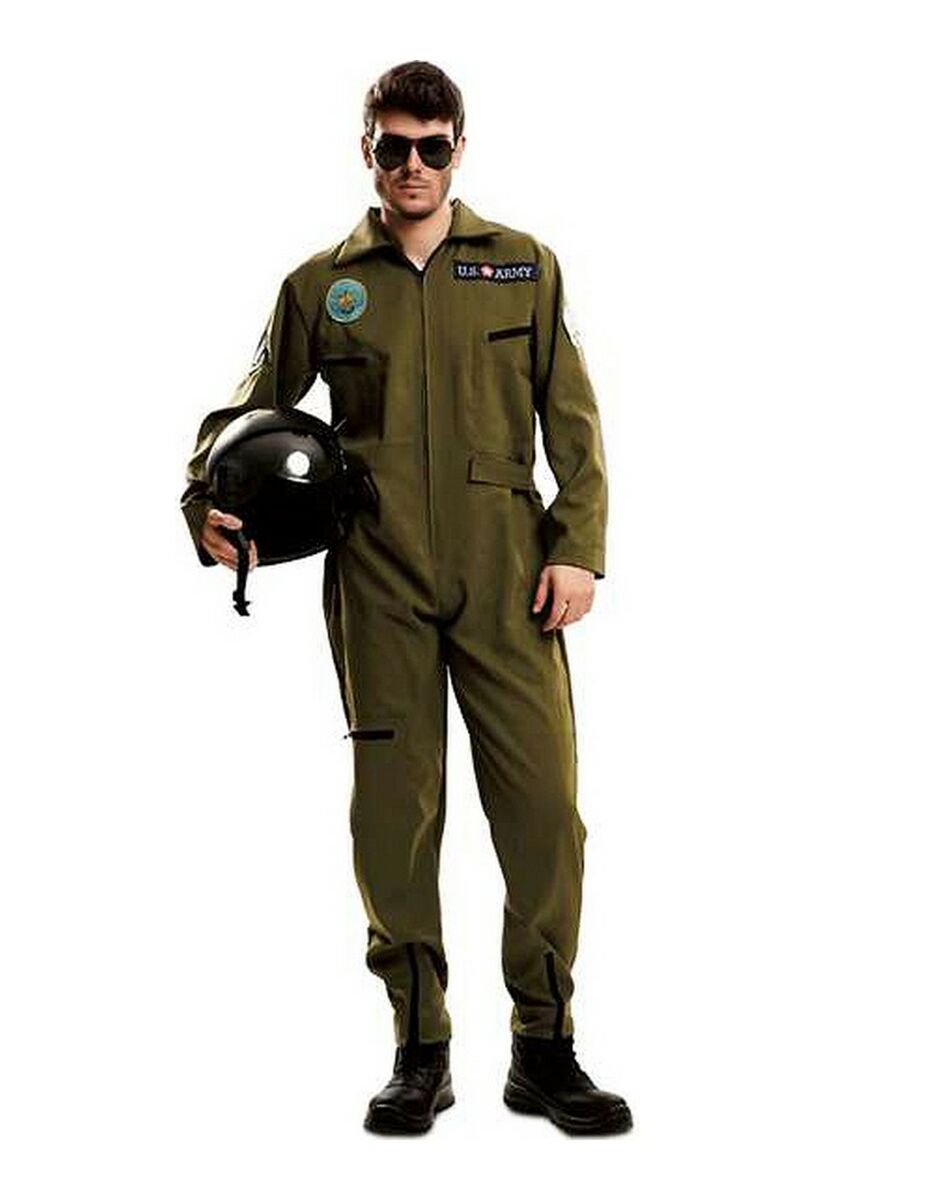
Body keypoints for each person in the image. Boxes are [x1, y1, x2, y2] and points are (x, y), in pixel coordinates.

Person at [180, 61, 632, 1137]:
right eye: (394, 147)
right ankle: (419, 1044)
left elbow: (575, 425)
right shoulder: (322, 284)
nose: (413, 166)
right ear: (367, 151)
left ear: (459, 148)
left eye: (433, 147)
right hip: (376, 571)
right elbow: (245, 414)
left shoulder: (522, 267)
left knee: (543, 811)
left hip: (508, 572)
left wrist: (578, 548)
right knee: (395, 810)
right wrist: (203, 498)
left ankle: (543, 1044)